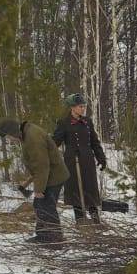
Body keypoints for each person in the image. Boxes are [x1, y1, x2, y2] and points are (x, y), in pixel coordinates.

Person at [0, 118, 69, 245]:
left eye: (8, 136)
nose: (9, 140)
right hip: (47, 175)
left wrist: (39, 189)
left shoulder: (32, 138)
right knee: (39, 205)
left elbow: (42, 165)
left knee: (47, 206)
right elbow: (37, 164)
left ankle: (54, 238)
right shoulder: (26, 133)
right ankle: (43, 236)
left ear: (13, 131)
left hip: (53, 176)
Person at [52, 93, 107, 225]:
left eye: (84, 106)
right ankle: (80, 220)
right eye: (80, 106)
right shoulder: (64, 123)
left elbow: (94, 141)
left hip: (87, 160)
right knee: (75, 190)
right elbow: (56, 142)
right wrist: (47, 146)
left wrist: (101, 157)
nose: (83, 109)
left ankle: (95, 220)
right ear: (72, 108)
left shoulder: (88, 121)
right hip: (72, 160)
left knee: (90, 188)